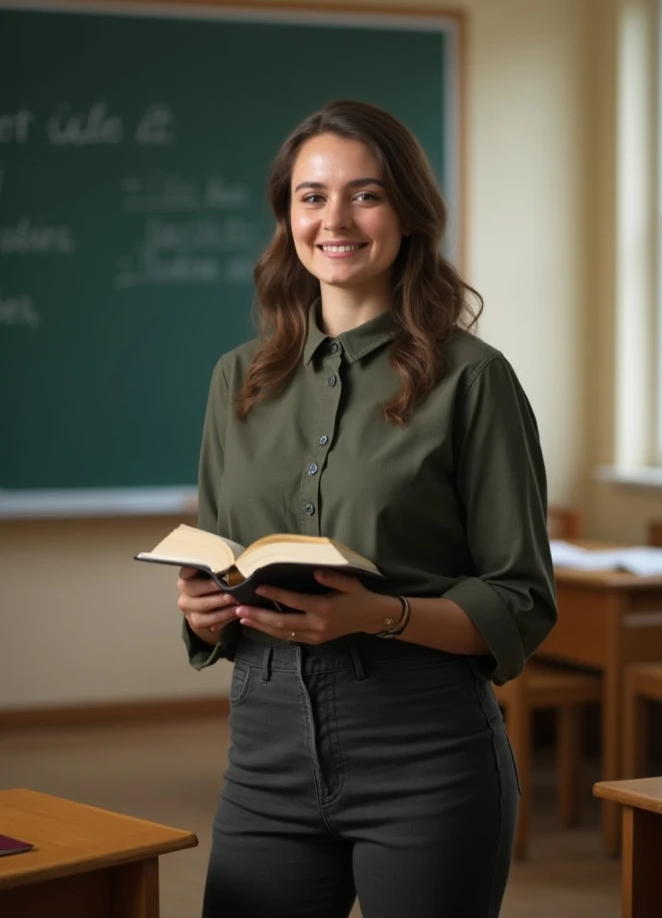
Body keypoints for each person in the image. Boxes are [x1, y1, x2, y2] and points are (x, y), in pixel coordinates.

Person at [177, 99, 557, 918]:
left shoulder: (473, 379)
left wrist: (376, 615)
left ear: (408, 213)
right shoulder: (236, 379)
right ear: (287, 216)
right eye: (312, 196)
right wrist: (205, 611)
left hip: (424, 755)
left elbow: (520, 601)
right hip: (265, 754)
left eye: (366, 194)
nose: (335, 219)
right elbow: (216, 549)